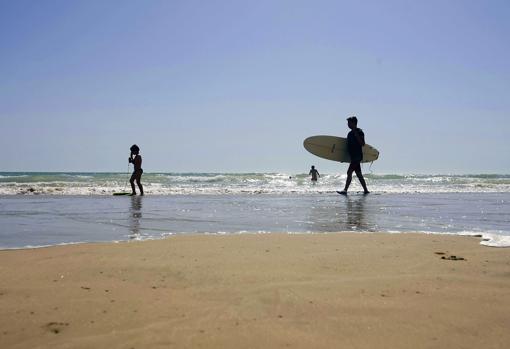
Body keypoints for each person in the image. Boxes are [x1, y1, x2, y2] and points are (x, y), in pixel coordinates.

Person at [337, 116, 369, 195]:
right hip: (353, 157)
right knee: (358, 174)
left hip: (357, 156)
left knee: (349, 172)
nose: (348, 124)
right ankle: (366, 190)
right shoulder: (349, 134)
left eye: (349, 123)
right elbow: (347, 147)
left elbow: (362, 144)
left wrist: (356, 134)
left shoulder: (359, 131)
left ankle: (345, 190)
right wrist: (343, 158)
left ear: (354, 123)